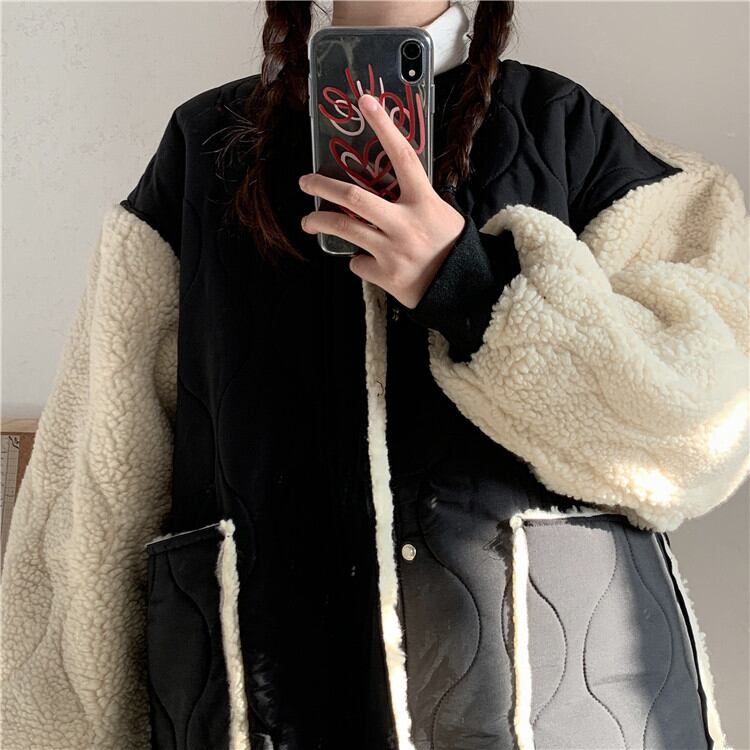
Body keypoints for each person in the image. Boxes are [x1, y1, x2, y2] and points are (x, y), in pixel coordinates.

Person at [2, 1, 747, 748]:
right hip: (265, 698)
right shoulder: (203, 151)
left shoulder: (579, 137)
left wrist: (468, 288)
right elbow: (93, 497)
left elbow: (701, 437)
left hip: (550, 707)